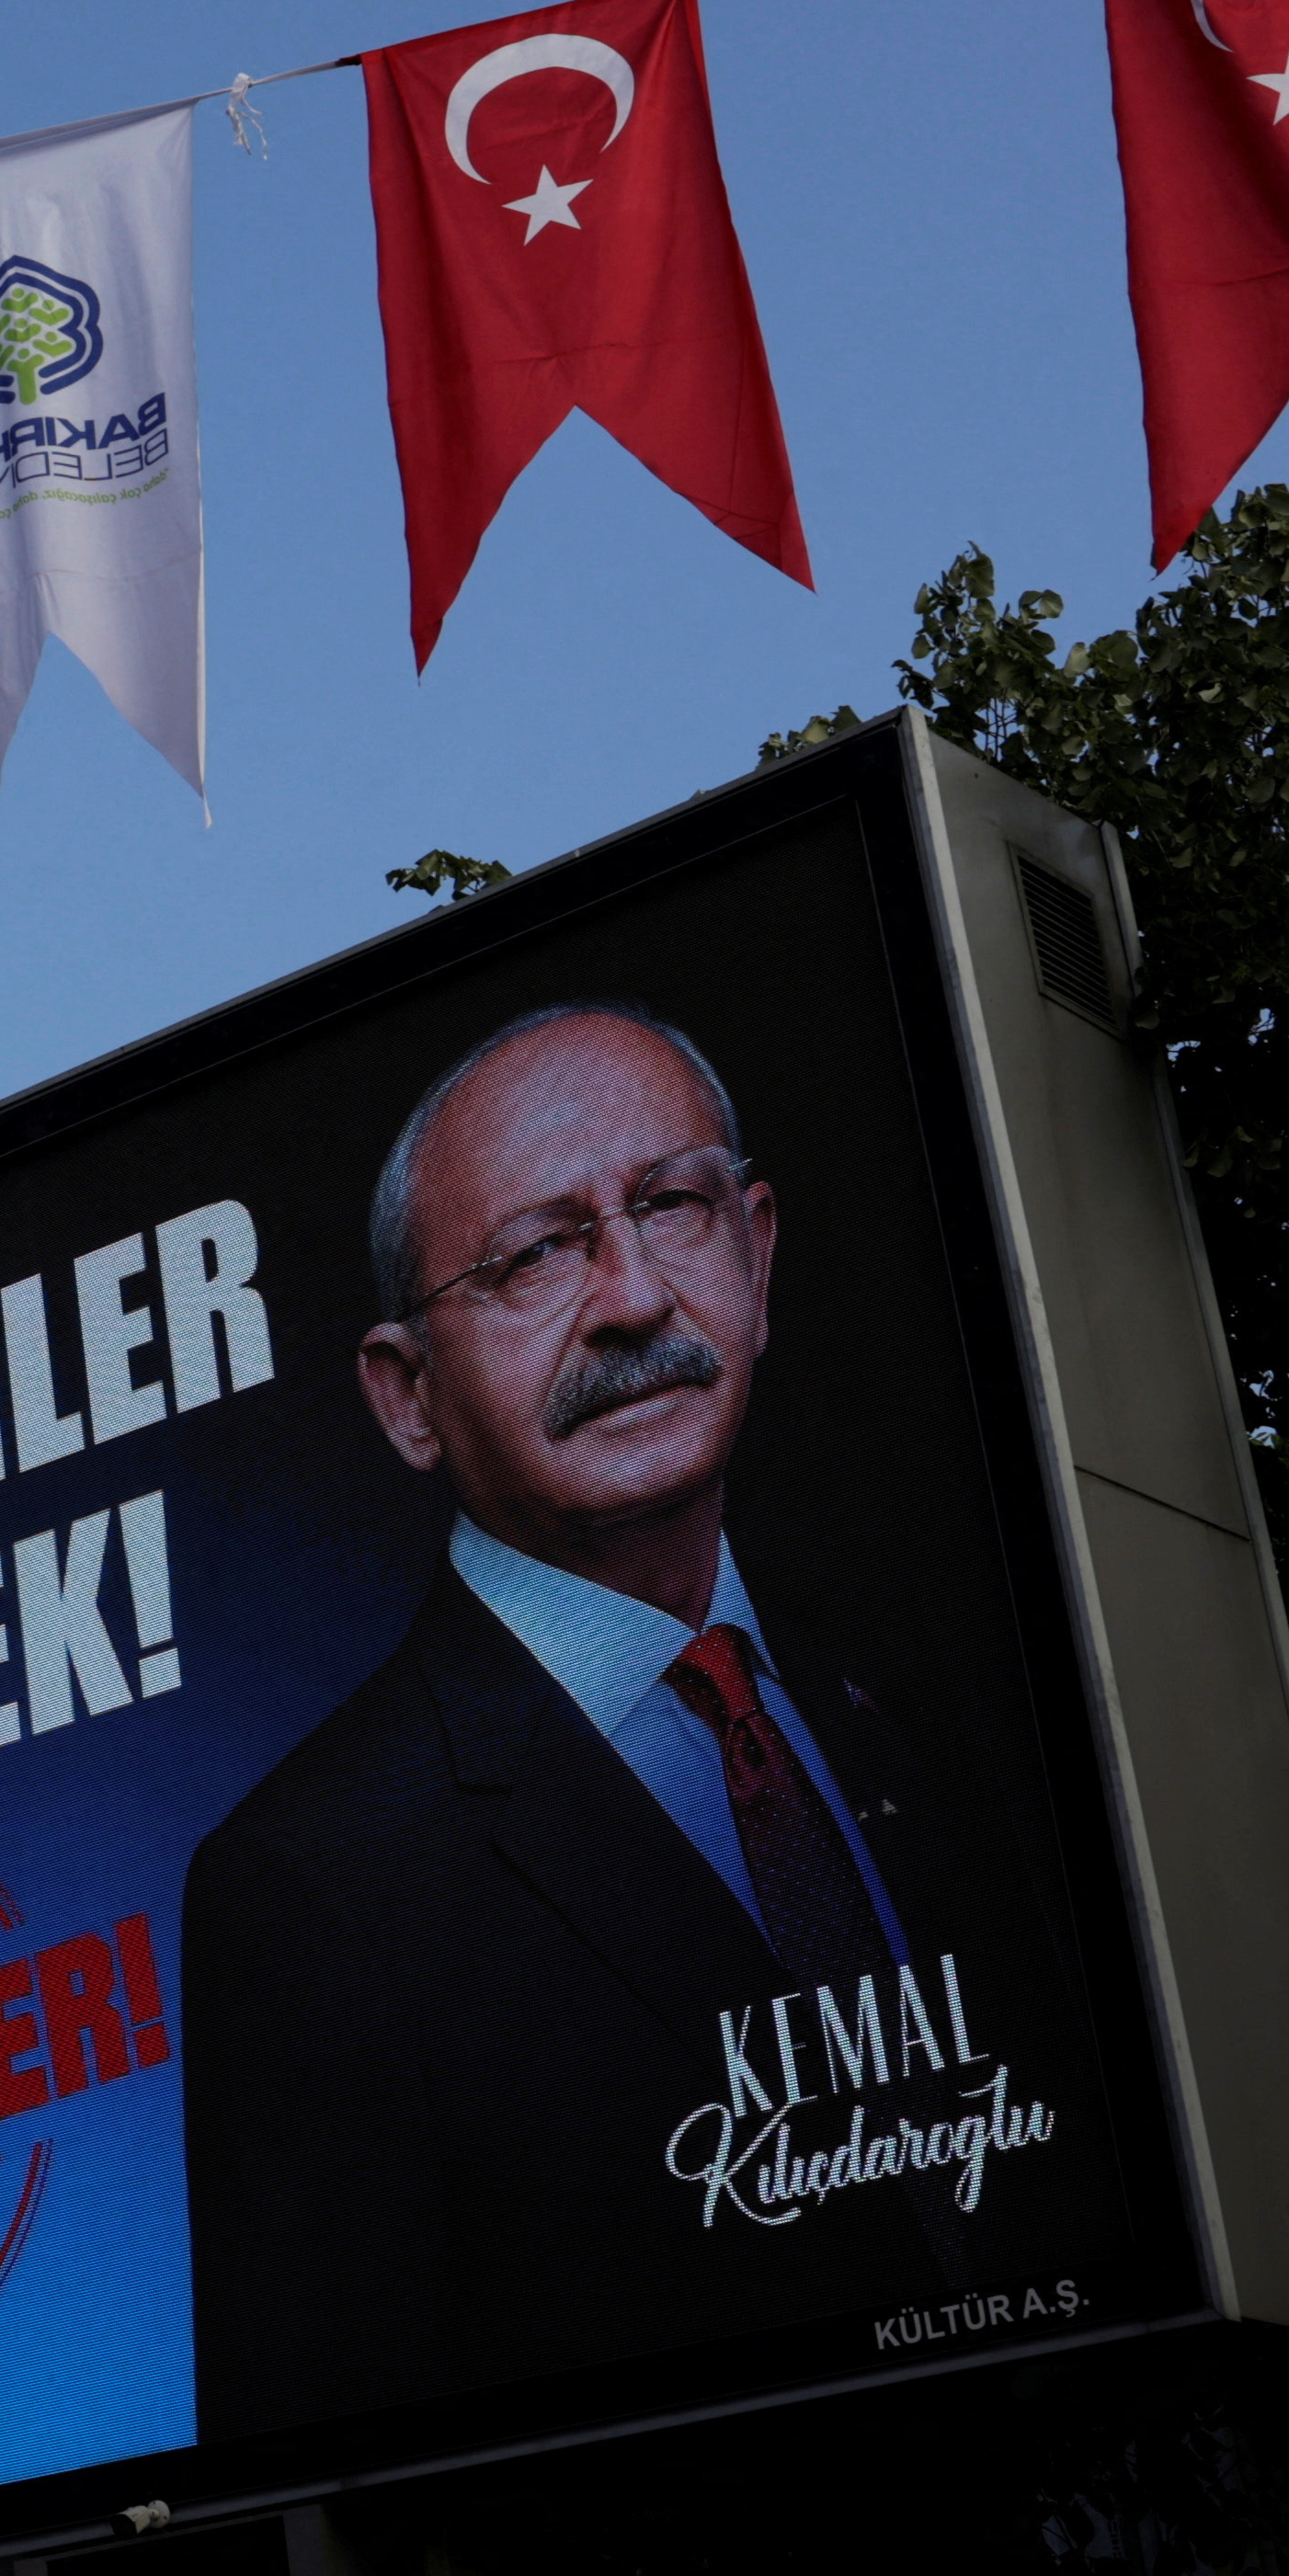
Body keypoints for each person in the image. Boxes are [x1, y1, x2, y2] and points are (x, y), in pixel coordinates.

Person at [182, 1004, 981, 2440]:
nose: (629, 1297)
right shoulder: (308, 1889)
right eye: (534, 1253)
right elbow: (341, 2482)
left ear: (755, 1248)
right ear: (407, 1397)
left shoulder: (934, 1678)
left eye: (669, 1206)